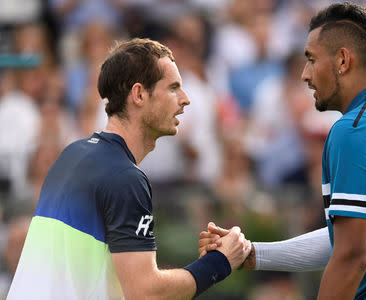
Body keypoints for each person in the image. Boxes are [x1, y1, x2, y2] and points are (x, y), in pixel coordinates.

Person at [199, 2, 366, 299]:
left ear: (343, 60)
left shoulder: (356, 129)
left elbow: (350, 257)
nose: (305, 74)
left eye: (311, 59)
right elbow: (346, 238)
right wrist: (253, 253)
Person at [7, 38, 251, 299]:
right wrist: (220, 262)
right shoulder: (124, 178)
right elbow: (145, 293)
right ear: (138, 95)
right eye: (173, 88)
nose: (186, 99)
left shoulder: (71, 154)